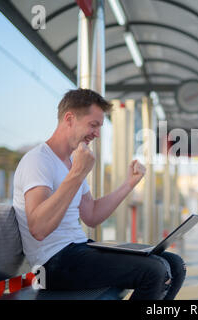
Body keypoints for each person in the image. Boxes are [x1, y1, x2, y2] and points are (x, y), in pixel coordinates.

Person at [12, 88, 186, 300]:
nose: (97, 133)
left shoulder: (71, 164)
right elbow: (38, 228)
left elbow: (92, 215)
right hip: (51, 265)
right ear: (69, 119)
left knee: (175, 265)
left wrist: (129, 184)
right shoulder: (38, 160)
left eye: (99, 127)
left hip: (78, 249)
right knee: (155, 271)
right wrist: (77, 174)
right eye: (93, 125)